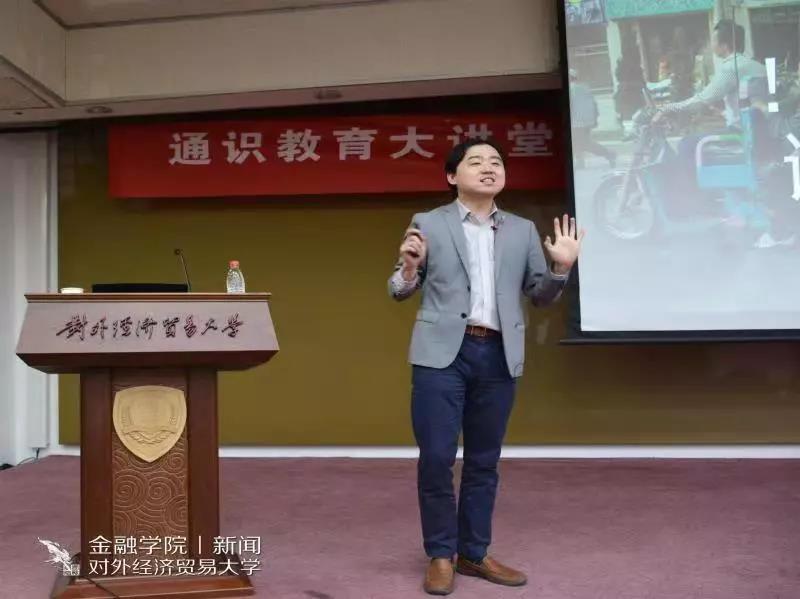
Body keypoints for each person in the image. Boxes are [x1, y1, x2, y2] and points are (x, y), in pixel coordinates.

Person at [387, 139, 583, 595]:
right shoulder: (428, 222)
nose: (488, 168)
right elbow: (398, 289)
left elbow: (540, 295)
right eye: (475, 162)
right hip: (441, 355)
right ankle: (441, 553)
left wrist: (560, 269)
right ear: (452, 176)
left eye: (496, 162)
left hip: (497, 353)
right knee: (437, 458)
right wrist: (410, 269)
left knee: (483, 461)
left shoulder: (522, 230)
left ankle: (473, 552)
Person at [569, 68, 616, 168]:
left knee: (584, 143)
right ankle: (580, 162)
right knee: (577, 142)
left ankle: (609, 154)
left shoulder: (570, 90)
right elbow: (594, 105)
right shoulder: (585, 88)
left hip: (575, 122)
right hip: (586, 121)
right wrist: (594, 119)